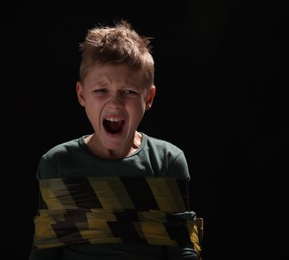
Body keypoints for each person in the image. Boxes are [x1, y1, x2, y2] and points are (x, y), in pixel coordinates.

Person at [29, 19, 202, 260]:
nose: (114, 102)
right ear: (81, 94)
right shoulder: (57, 164)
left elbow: (182, 248)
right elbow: (45, 252)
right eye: (101, 90)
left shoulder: (167, 162)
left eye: (128, 91)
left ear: (149, 97)